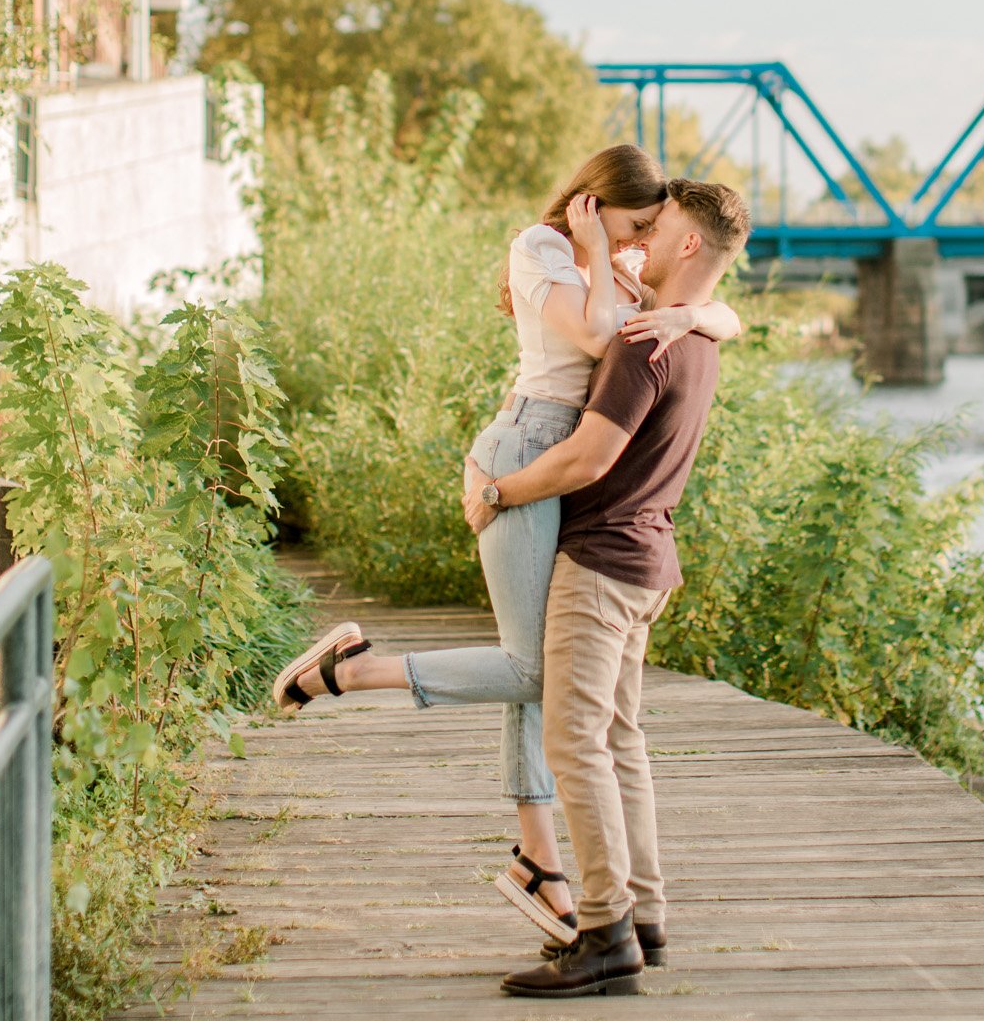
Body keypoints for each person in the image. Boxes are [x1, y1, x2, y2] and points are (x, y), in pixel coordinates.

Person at [271, 146, 742, 944]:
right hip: (531, 454)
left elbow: (719, 311)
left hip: (557, 459)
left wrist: (693, 312)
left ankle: (540, 859)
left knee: (544, 669)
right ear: (595, 207)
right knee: (537, 669)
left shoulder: (632, 283)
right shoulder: (548, 248)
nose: (637, 244)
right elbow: (602, 345)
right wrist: (612, 266)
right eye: (634, 226)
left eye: (650, 232)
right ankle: (351, 677)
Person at [462, 177, 751, 998]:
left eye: (656, 231)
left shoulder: (639, 340)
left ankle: (602, 931)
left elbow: (588, 459)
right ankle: (643, 917)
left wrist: (495, 494)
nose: (641, 244)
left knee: (574, 741)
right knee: (618, 738)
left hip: (599, 560)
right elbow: (714, 313)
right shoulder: (697, 339)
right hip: (648, 560)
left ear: (687, 246)